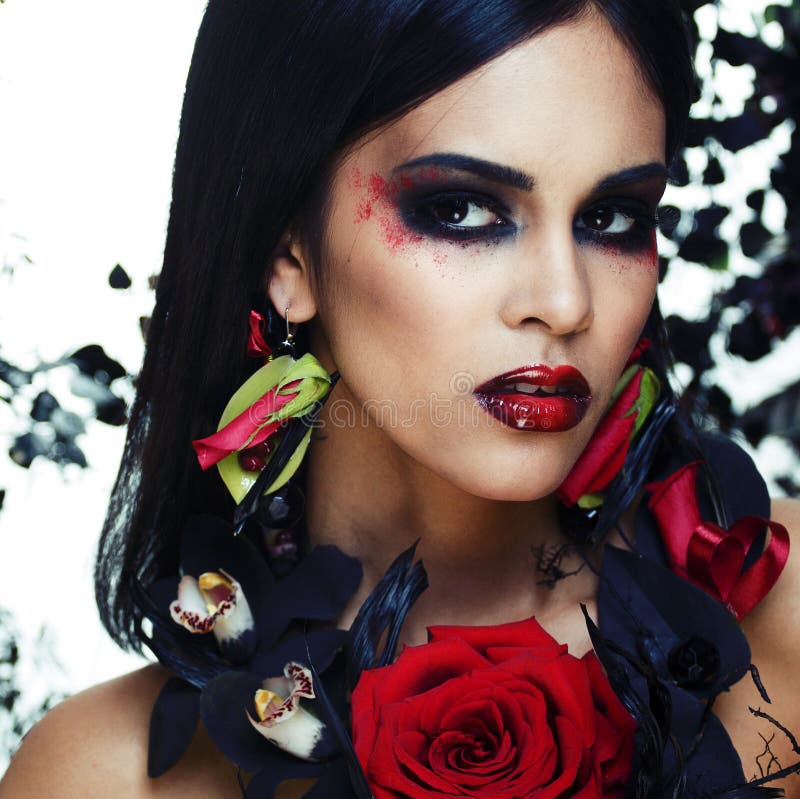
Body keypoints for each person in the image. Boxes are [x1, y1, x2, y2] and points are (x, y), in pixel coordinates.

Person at [2, 1, 800, 797]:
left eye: (611, 216)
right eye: (460, 209)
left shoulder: (784, 609)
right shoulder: (107, 774)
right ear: (288, 251)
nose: (564, 301)